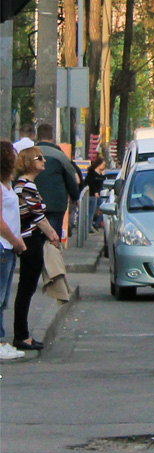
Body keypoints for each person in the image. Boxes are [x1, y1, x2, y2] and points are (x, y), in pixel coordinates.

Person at [11, 147, 61, 353]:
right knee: (26, 288)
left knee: (27, 288)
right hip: (30, 240)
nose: (44, 162)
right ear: (29, 162)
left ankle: (23, 334)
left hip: (29, 239)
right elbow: (38, 216)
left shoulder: (24, 184)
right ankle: (21, 335)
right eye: (39, 158)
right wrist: (52, 234)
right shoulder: (26, 185)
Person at [0, 141, 29, 361]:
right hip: (3, 245)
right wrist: (14, 240)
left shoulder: (8, 184)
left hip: (9, 245)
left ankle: (1, 340)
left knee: (3, 297)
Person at [33, 123, 80, 241]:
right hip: (55, 204)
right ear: (52, 136)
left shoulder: (30, 154)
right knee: (52, 239)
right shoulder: (60, 156)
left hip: (33, 203)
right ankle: (52, 257)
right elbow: (71, 179)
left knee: (34, 240)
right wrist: (75, 196)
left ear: (37, 136)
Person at [83, 155, 107, 231]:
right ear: (99, 164)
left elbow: (101, 182)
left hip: (98, 194)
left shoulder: (100, 174)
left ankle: (95, 223)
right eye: (103, 165)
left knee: (104, 209)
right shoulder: (92, 173)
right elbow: (90, 183)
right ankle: (89, 227)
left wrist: (103, 175)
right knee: (91, 211)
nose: (104, 166)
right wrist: (95, 192)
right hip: (92, 195)